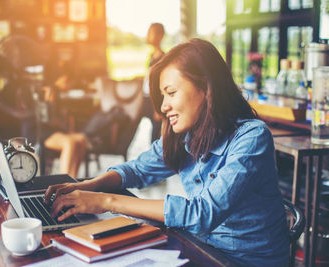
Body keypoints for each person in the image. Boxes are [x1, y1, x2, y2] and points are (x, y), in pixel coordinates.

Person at [44, 38, 289, 266]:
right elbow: (137, 170)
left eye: (171, 93)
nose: (163, 106)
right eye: (162, 96)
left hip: (243, 261)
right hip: (198, 248)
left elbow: (202, 213)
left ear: (206, 88)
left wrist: (107, 201)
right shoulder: (186, 135)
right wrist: (90, 186)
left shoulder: (252, 137)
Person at [143, 23, 165, 143]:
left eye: (150, 33)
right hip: (146, 97)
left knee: (155, 132)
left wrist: (157, 107)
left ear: (160, 36)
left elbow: (160, 83)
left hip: (154, 100)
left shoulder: (163, 58)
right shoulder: (151, 56)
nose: (148, 36)